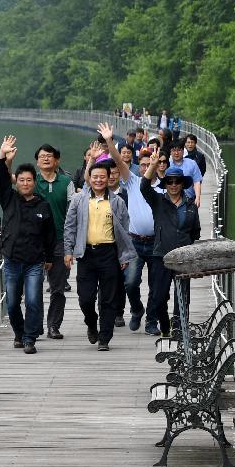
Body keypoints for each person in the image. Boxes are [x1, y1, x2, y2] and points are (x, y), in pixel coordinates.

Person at [97, 123, 164, 333]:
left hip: (157, 243)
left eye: (150, 164)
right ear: (139, 166)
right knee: (130, 283)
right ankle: (137, 309)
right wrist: (109, 141)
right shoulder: (133, 181)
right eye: (143, 164)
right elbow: (117, 160)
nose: (146, 168)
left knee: (157, 287)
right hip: (135, 242)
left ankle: (152, 321)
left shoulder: (165, 186)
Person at [63, 161, 137, 351]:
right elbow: (70, 226)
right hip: (86, 254)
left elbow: (124, 231)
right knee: (85, 298)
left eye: (102, 176)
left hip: (109, 253)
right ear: (89, 178)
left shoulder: (117, 201)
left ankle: (104, 337)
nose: (98, 180)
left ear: (109, 178)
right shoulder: (79, 200)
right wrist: (68, 251)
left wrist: (124, 256)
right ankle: (91, 322)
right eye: (95, 176)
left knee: (109, 299)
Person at [0, 136, 56, 354]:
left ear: (34, 182)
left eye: (29, 180)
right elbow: (0, 180)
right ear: (16, 181)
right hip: (12, 260)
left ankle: (29, 338)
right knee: (12, 304)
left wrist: (49, 258)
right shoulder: (9, 200)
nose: (25, 183)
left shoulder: (43, 205)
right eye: (21, 180)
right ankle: (19, 333)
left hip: (34, 262)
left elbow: (50, 234)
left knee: (33, 301)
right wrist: (2, 157)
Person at [140, 159, 201, 336]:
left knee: (182, 297)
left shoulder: (190, 205)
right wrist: (152, 165)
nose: (174, 185)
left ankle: (180, 328)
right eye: (170, 181)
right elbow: (144, 186)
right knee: (158, 297)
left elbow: (195, 231)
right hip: (161, 256)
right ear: (165, 184)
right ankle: (165, 326)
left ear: (183, 184)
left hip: (184, 258)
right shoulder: (158, 200)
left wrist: (190, 250)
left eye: (177, 181)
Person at [33, 143, 75, 340]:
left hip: (59, 241)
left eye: (50, 156)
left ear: (56, 160)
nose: (46, 158)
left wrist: (70, 244)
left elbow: (72, 213)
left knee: (58, 287)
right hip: (34, 242)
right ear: (37, 161)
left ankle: (53, 326)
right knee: (33, 286)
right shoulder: (31, 182)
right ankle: (34, 326)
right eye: (42, 156)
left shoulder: (66, 182)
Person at [168, 139, 203, 208]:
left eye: (179, 150)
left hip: (189, 200)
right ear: (170, 152)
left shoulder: (192, 163)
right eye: (174, 150)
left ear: (183, 151)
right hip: (171, 201)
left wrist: (198, 197)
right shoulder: (167, 165)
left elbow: (196, 182)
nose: (176, 153)